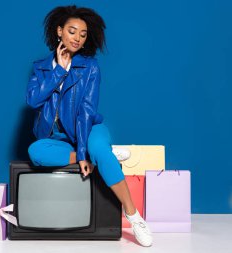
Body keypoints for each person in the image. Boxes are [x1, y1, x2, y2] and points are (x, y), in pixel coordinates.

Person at [26, 5, 153, 247]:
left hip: (89, 128)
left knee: (97, 149)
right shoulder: (40, 67)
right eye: (72, 31)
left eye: (83, 35)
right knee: (35, 152)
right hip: (58, 137)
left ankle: (134, 216)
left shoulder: (90, 67)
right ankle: (101, 155)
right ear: (59, 31)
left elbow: (86, 110)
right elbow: (33, 100)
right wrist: (59, 73)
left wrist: (83, 150)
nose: (77, 38)